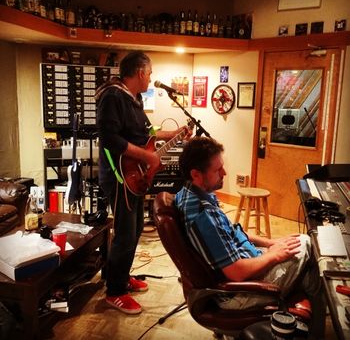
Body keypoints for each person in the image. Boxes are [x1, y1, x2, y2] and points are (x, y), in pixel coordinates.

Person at [174, 136, 325, 339]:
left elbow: (234, 232)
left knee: (305, 262)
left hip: (249, 263)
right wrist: (273, 256)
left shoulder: (189, 194)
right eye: (218, 169)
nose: (224, 173)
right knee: (308, 244)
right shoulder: (202, 216)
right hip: (237, 294)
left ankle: (311, 327)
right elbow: (236, 273)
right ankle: (316, 329)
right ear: (196, 174)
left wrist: (271, 244)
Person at [96, 50, 191, 314]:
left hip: (134, 177)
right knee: (125, 234)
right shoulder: (113, 96)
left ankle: (121, 276)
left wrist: (176, 133)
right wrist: (147, 156)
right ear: (140, 72)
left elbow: (148, 133)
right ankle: (114, 292)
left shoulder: (133, 99)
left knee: (135, 228)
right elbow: (110, 139)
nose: (151, 78)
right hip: (120, 176)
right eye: (149, 73)